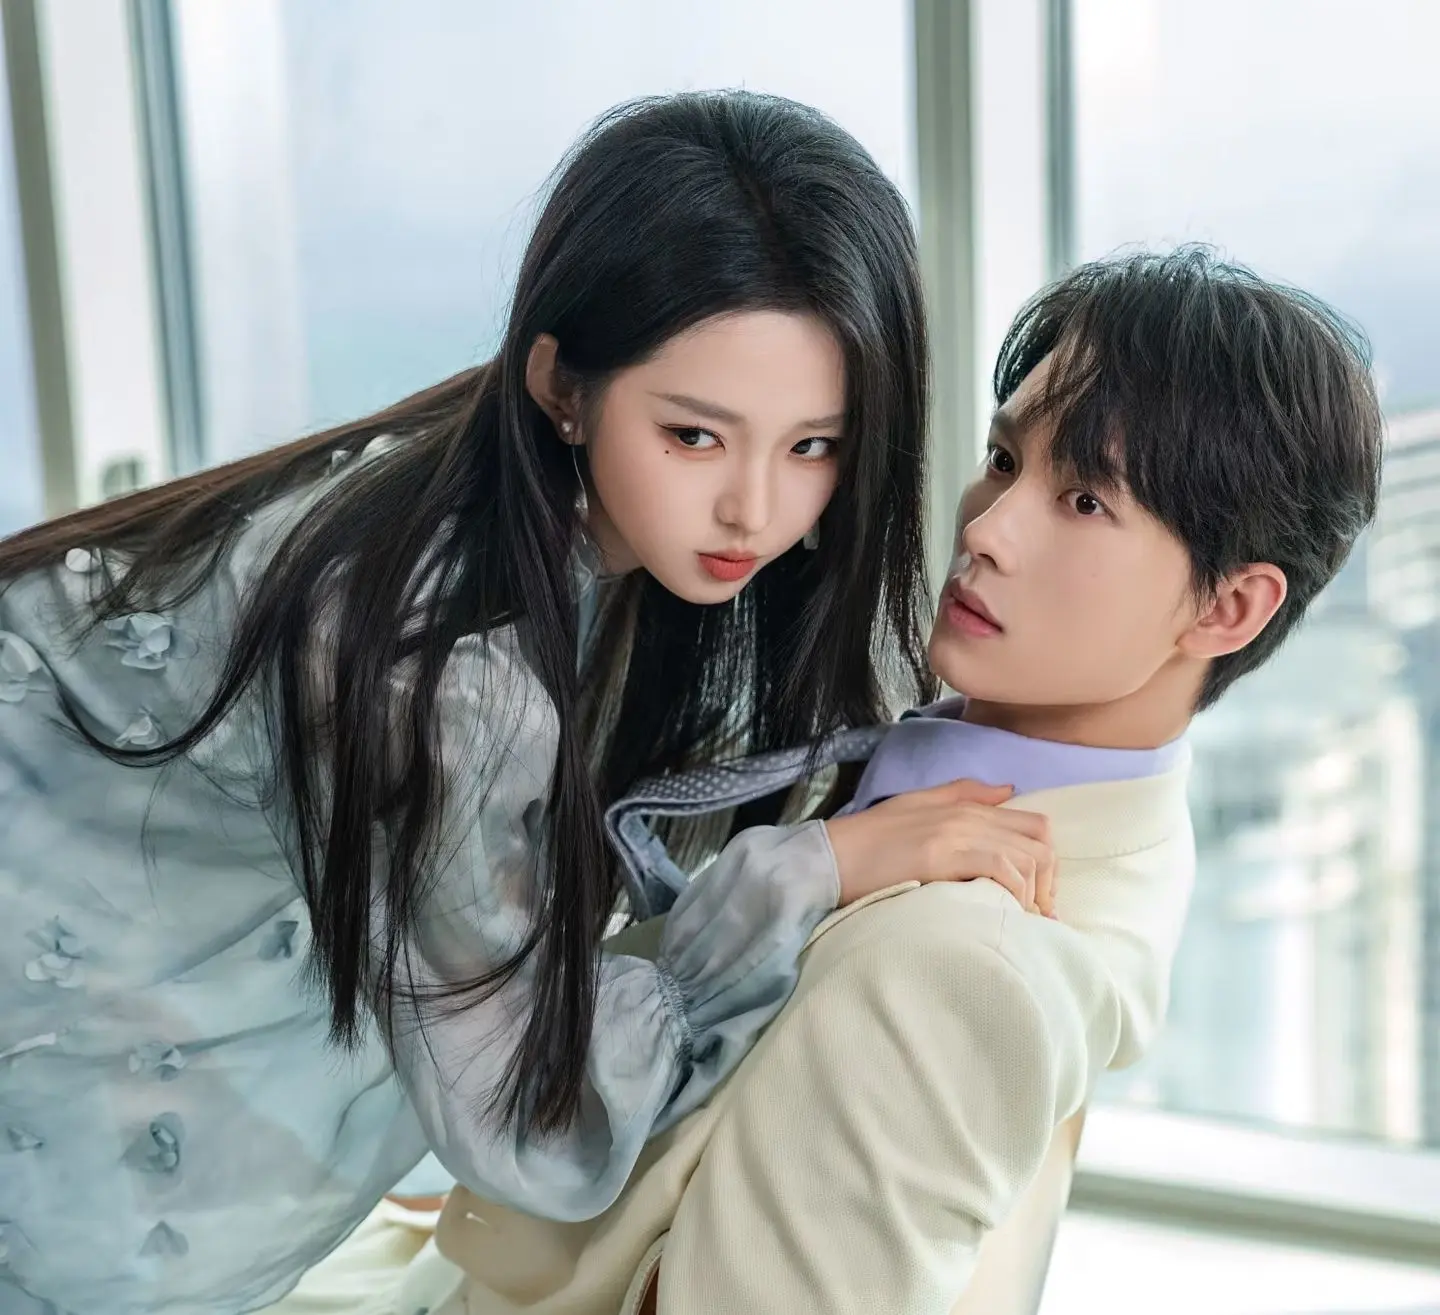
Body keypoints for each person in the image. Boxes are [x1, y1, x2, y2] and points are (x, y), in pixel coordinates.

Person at [0, 92, 1042, 1315]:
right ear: (563, 383)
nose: (756, 510)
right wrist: (810, 870)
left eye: (814, 445)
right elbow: (538, 1119)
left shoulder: (528, 509)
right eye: (695, 436)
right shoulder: (444, 667)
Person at [349, 247, 1382, 1315]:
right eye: (1003, 458)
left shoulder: (954, 967)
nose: (985, 529)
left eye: (1083, 500)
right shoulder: (1097, 809)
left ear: (1227, 608)